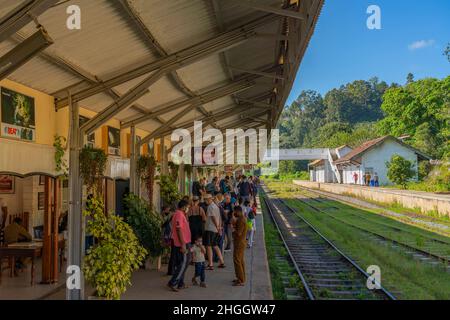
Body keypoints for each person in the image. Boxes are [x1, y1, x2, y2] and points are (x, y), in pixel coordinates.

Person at [167, 200, 191, 292]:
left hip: (183, 242)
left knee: (183, 263)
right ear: (184, 207)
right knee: (183, 263)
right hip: (182, 243)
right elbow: (178, 229)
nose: (188, 208)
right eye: (188, 207)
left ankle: (180, 283)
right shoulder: (179, 215)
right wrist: (183, 244)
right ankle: (173, 282)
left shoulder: (180, 214)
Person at [203, 194, 225, 270]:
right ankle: (222, 261)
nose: (204, 201)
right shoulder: (216, 206)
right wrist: (219, 228)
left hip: (210, 229)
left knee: (208, 247)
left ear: (209, 199)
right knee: (215, 245)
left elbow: (213, 218)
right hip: (215, 229)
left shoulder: (210, 207)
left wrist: (217, 227)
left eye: (205, 199)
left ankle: (210, 264)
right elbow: (219, 218)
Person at [232, 206, 247, 286]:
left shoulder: (241, 220)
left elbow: (239, 233)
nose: (234, 213)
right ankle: (241, 277)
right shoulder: (242, 218)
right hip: (241, 242)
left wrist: (233, 228)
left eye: (235, 212)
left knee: (237, 260)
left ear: (238, 211)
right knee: (240, 260)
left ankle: (240, 280)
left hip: (239, 243)